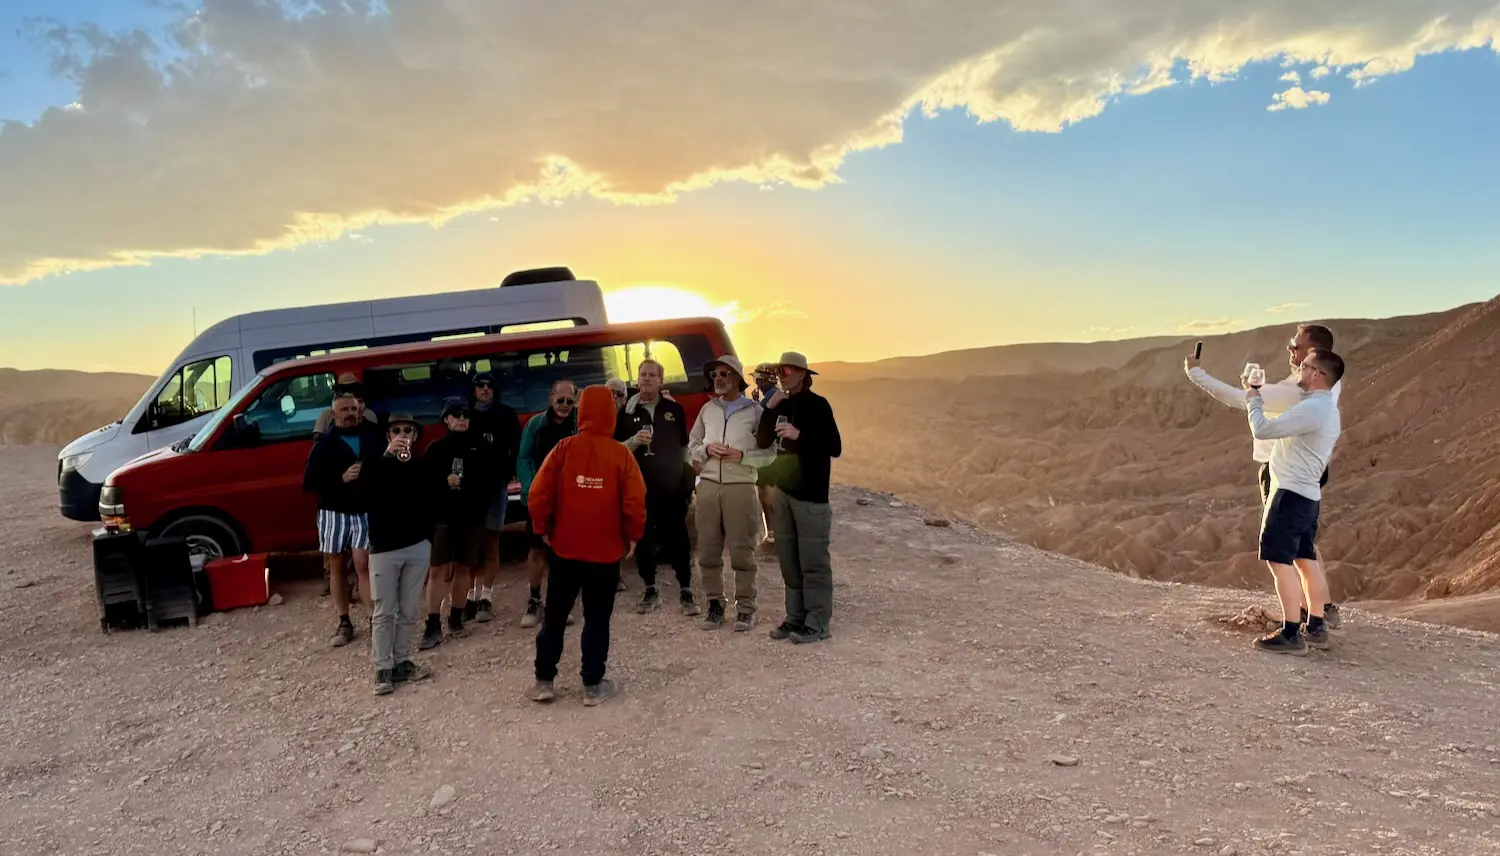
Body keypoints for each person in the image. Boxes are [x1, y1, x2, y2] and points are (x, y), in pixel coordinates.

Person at [1186, 323, 1345, 628]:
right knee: (1304, 548)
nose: (1290, 350)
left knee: (1283, 553)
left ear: (1315, 360)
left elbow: (1240, 401)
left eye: (1296, 347)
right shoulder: (1325, 386)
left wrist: (1197, 374)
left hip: (1284, 474)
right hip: (1309, 471)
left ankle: (1298, 621)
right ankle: (1319, 612)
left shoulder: (1295, 392)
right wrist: (1258, 391)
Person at [527, 384, 647, 706]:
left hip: (565, 550)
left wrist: (543, 530)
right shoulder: (621, 454)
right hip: (604, 554)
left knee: (554, 617)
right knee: (597, 618)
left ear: (581, 412)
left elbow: (538, 495)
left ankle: (544, 681)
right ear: (611, 412)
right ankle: (592, 686)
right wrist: (633, 535)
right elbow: (635, 502)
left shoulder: (564, 448)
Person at [1243, 348, 1344, 655]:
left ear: (1317, 374)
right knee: (1305, 560)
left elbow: (1263, 429)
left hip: (1289, 495)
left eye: (1305, 366)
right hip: (1307, 495)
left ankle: (1290, 634)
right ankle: (1315, 626)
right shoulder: (1326, 408)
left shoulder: (1312, 408)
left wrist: (1253, 398)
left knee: (1279, 561)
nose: (1299, 369)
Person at [756, 352, 843, 644]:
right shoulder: (783, 404)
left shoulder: (819, 406)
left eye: (789, 370)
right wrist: (770, 408)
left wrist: (799, 435)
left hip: (811, 498)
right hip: (784, 493)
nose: (783, 374)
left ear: (804, 375)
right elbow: (762, 440)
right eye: (780, 370)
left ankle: (818, 623)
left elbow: (834, 447)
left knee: (813, 562)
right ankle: (795, 618)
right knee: (789, 562)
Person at [687, 355, 766, 632]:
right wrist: (705, 451)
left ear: (736, 378)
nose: (717, 380)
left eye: (724, 374)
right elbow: (691, 446)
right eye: (715, 375)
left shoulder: (754, 411)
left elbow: (770, 454)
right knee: (707, 550)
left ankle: (745, 608)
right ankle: (714, 605)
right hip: (708, 487)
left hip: (741, 487)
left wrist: (742, 455)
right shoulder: (707, 409)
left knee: (742, 551)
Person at [361, 412, 436, 695]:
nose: (402, 435)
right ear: (388, 436)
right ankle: (382, 667)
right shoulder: (374, 464)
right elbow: (366, 495)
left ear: (415, 435)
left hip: (417, 545)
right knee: (384, 610)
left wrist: (428, 540)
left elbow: (432, 499)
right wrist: (386, 458)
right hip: (385, 548)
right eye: (396, 431)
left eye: (407, 430)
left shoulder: (421, 465)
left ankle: (402, 660)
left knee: (409, 608)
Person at [301, 391, 383, 647]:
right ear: (333, 415)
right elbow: (309, 483)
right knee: (336, 565)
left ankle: (373, 619)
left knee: (363, 563)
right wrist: (341, 479)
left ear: (360, 410)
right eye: (344, 410)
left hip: (365, 510)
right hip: (333, 511)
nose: (349, 413)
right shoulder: (324, 445)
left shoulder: (374, 437)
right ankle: (344, 620)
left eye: (353, 408)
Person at [614, 359, 695, 614]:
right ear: (636, 380)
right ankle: (650, 588)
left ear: (661, 381)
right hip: (640, 488)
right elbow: (617, 451)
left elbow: (684, 448)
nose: (647, 378)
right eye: (643, 374)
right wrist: (635, 441)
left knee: (678, 537)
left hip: (671, 487)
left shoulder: (674, 410)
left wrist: (687, 482)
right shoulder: (626, 413)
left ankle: (686, 589)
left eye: (652, 375)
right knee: (643, 539)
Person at [418, 400, 496, 649]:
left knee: (465, 569)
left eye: (465, 415)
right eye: (456, 415)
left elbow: (492, 483)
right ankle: (432, 625)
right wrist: (444, 483)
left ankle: (456, 618)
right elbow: (423, 486)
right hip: (443, 519)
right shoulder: (435, 449)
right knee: (437, 571)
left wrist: (476, 499)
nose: (461, 419)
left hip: (472, 519)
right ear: (446, 419)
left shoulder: (482, 447)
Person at [515, 380, 579, 628]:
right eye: (560, 400)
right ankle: (533, 600)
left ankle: (559, 602)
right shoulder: (535, 425)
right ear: (551, 398)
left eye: (569, 401)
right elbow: (523, 457)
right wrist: (531, 488)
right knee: (536, 550)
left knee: (562, 551)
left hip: (568, 497)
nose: (564, 406)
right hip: (541, 496)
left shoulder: (578, 425)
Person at [464, 372, 520, 623]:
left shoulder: (506, 415)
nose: (485, 389)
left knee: (491, 542)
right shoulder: (464, 415)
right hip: (469, 490)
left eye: (489, 385)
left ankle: (486, 596)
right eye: (480, 386)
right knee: (470, 546)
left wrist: (507, 473)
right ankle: (469, 597)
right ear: (473, 390)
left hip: (496, 487)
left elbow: (516, 448)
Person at [750, 362, 781, 550]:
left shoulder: (769, 401)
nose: (757, 383)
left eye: (758, 379)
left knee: (766, 493)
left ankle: (772, 536)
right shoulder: (776, 396)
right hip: (776, 452)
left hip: (768, 453)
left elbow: (760, 423)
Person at [312, 372, 379, 439]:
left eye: (351, 389)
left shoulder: (368, 414)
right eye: (344, 389)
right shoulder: (327, 414)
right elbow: (317, 437)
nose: (347, 393)